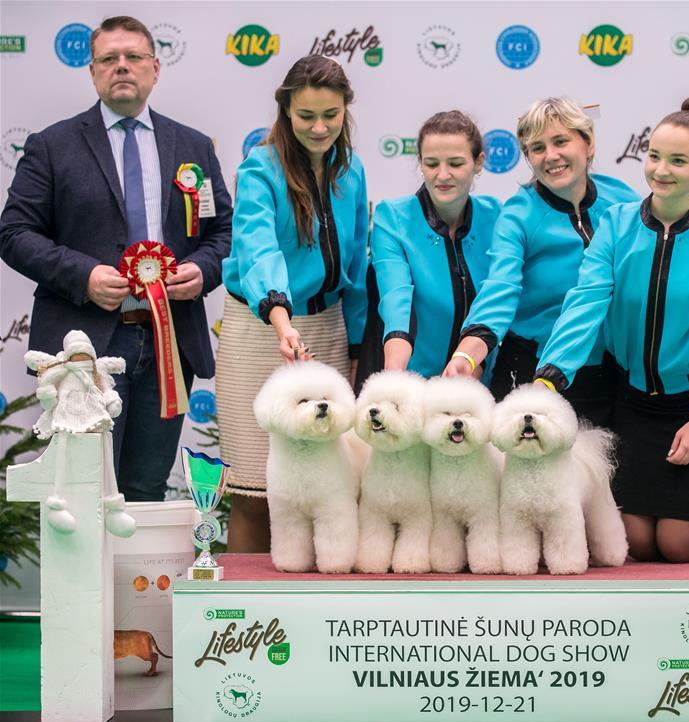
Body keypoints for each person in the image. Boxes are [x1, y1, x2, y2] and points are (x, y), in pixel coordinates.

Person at [533, 98, 689, 591]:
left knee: (680, 546)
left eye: (678, 161)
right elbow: (586, 302)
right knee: (638, 543)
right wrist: (550, 375)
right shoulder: (617, 226)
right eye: (654, 155)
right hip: (637, 405)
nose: (661, 170)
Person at [0, 16, 232, 502]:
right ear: (93, 72)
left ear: (155, 68)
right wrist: (83, 276)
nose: (121, 67)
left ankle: (134, 584)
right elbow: (14, 233)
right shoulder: (52, 146)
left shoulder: (192, 146)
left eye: (133, 58)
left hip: (170, 343)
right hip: (82, 348)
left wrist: (202, 271)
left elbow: (221, 232)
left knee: (145, 489)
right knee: (84, 492)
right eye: (108, 59)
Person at [216, 55, 368, 552]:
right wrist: (281, 319)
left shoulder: (353, 169)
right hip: (263, 330)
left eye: (331, 114)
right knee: (257, 490)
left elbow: (359, 261)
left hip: (326, 327)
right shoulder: (259, 168)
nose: (319, 127)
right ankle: (244, 623)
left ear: (346, 109)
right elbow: (257, 248)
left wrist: (359, 343)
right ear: (285, 110)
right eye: (306, 116)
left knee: (328, 486)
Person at [443, 97, 639, 426]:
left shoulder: (624, 202)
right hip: (530, 370)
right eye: (536, 148)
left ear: (588, 144)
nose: (550, 156)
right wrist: (468, 352)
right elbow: (499, 289)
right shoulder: (518, 215)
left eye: (561, 141)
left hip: (609, 372)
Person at [356, 111, 501, 385]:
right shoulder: (393, 218)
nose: (442, 175)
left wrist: (474, 366)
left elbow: (497, 301)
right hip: (410, 382)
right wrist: (395, 376)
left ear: (478, 162)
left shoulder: (496, 216)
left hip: (477, 382)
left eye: (456, 163)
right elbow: (396, 299)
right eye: (431, 163)